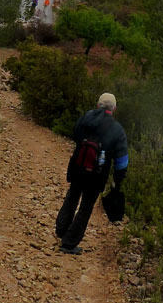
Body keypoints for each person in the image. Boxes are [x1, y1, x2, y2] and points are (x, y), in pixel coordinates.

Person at [55, 93, 128, 254]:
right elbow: (121, 161)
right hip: (97, 174)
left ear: (98, 105)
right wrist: (117, 182)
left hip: (77, 167)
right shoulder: (117, 129)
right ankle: (69, 243)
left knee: (72, 196)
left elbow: (75, 135)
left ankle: (61, 230)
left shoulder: (85, 118)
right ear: (114, 109)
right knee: (86, 207)